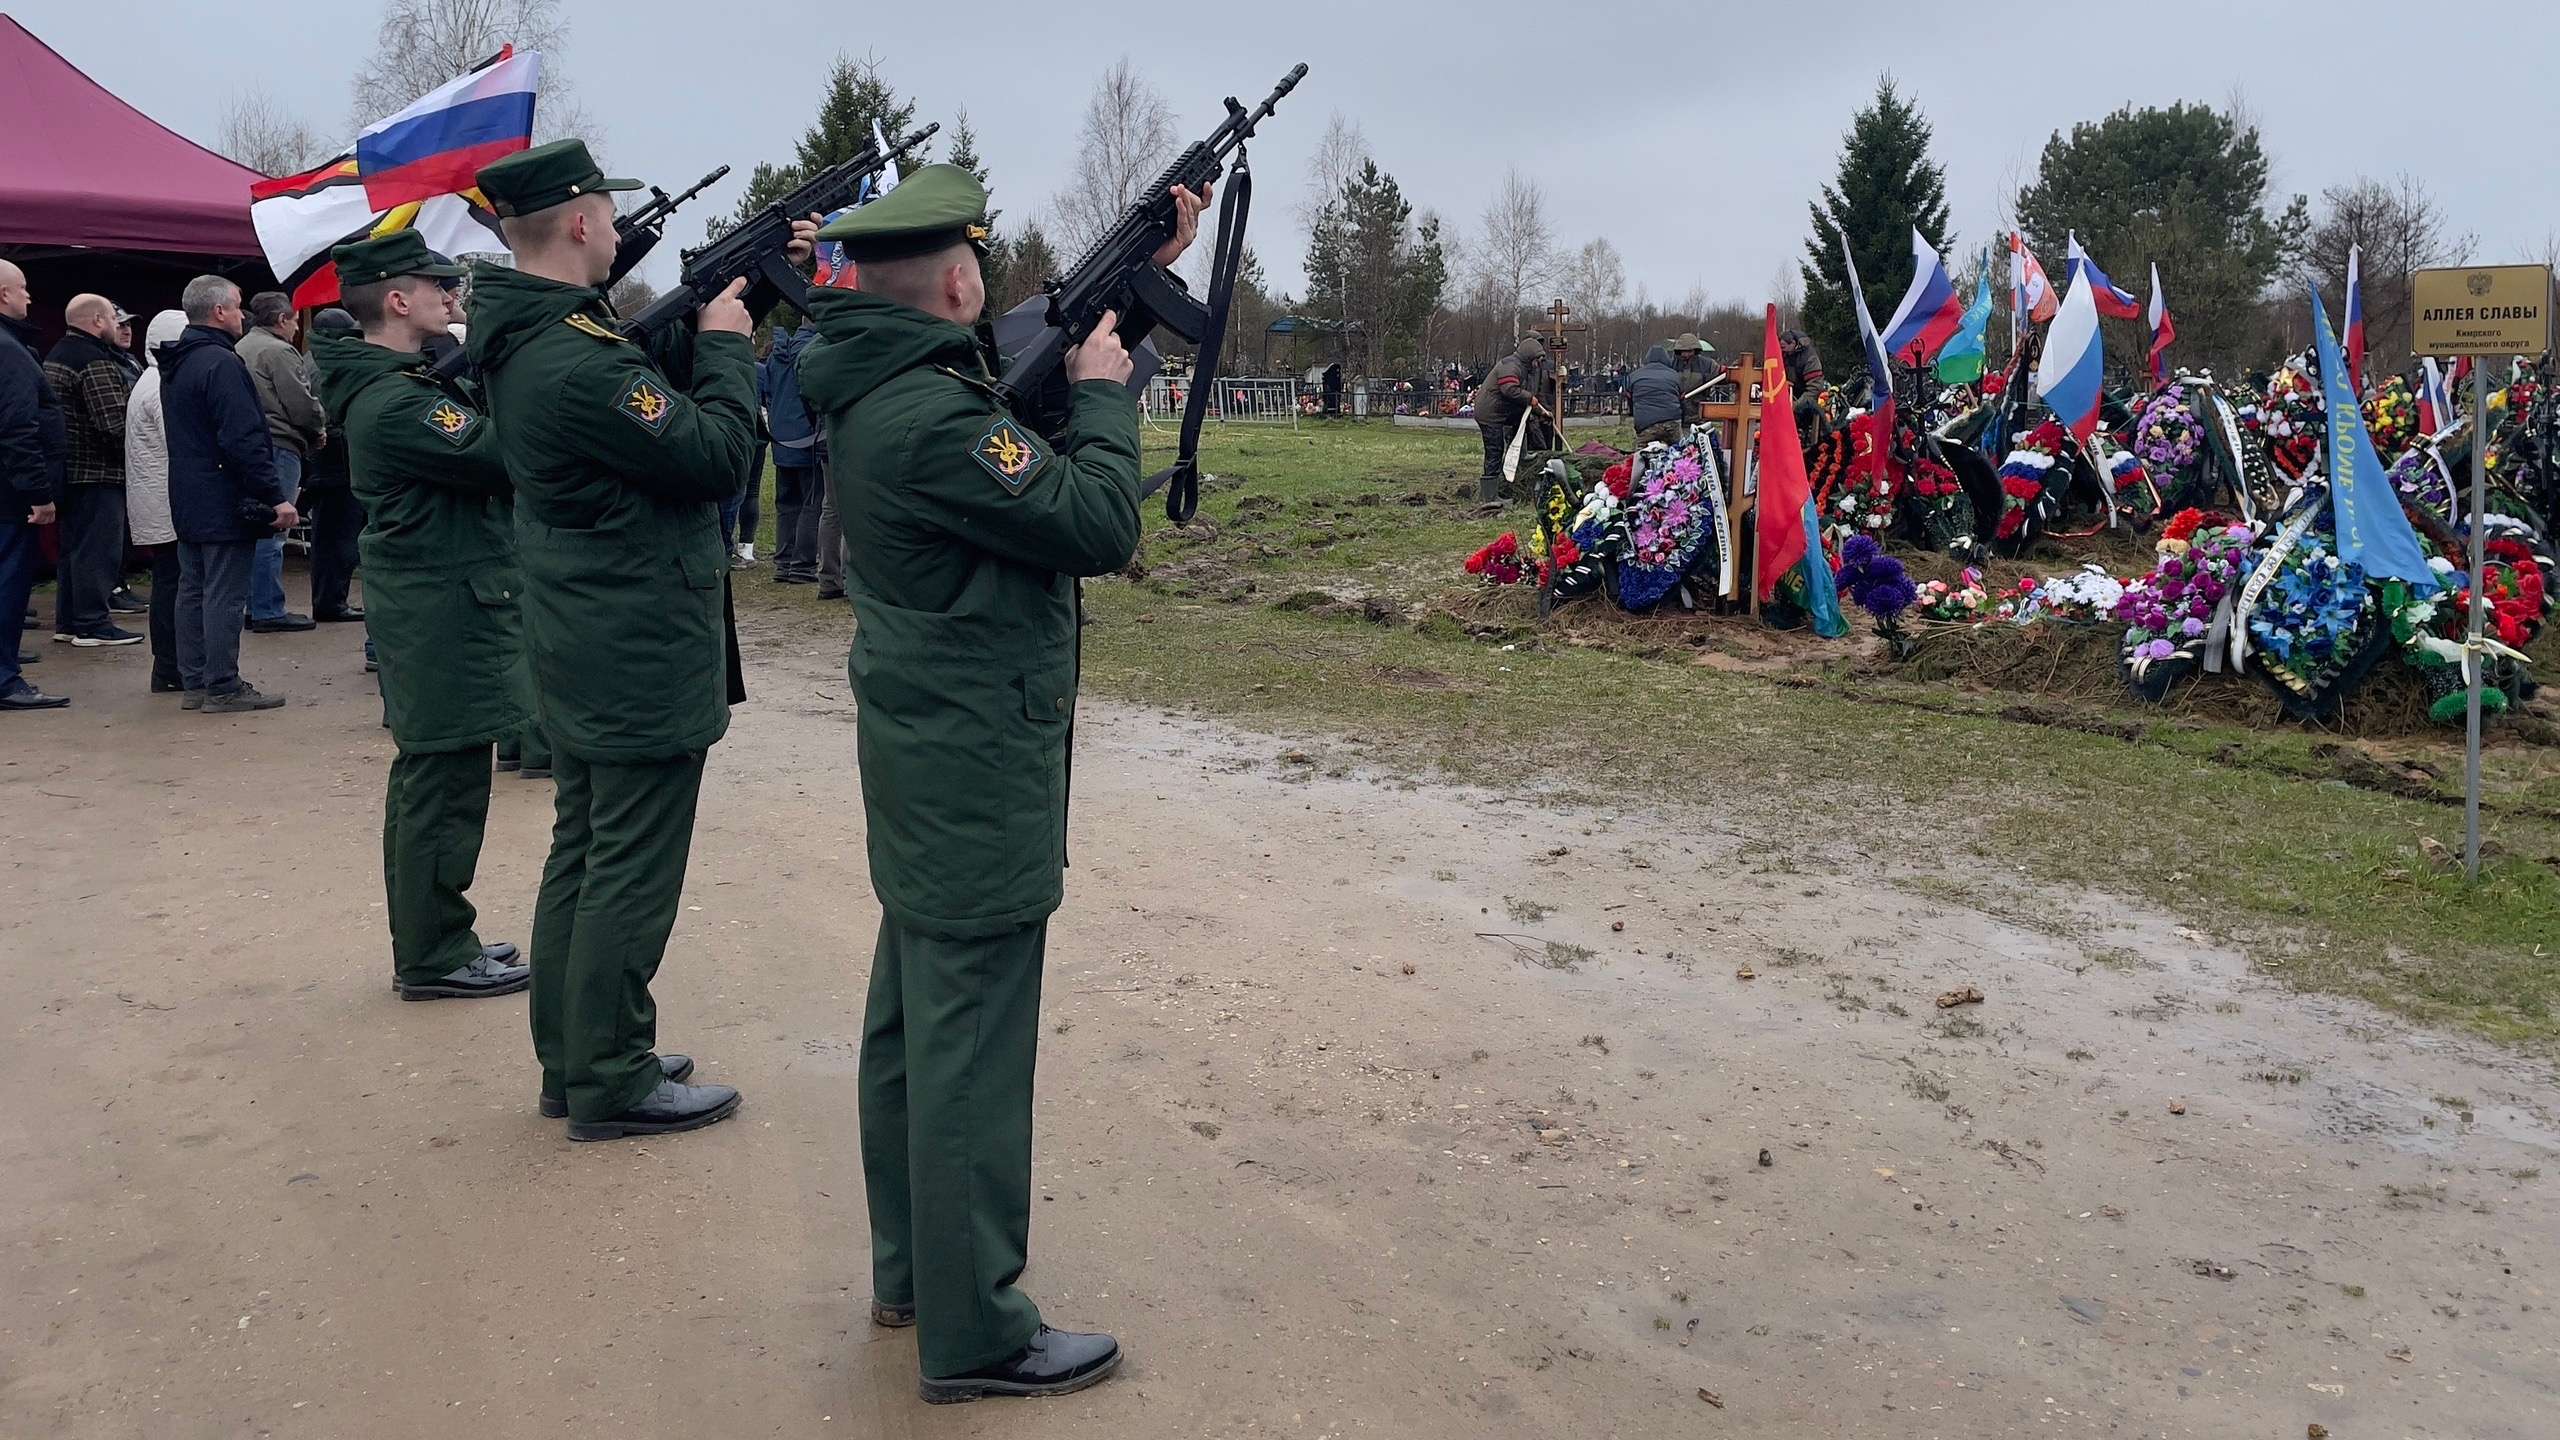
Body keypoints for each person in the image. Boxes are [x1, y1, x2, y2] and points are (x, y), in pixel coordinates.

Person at [796, 163, 1205, 1406]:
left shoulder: (890, 385)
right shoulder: (929, 416)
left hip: (933, 746)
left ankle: (918, 1273)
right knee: (969, 1041)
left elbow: (1010, 377)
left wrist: (1141, 279)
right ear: (960, 277)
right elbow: (1093, 525)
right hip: (972, 755)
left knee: (915, 1023)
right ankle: (976, 1333)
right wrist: (1105, 394)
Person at [464, 139, 812, 1140]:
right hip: (635, 639)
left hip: (591, 630)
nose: (619, 228)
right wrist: (726, 345)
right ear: (578, 223)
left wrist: (740, 304)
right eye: (607, 215)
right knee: (628, 860)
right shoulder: (575, 362)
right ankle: (610, 1075)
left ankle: (573, 1056)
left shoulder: (545, 341)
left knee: (586, 844)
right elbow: (708, 455)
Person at [314, 232, 536, 1003]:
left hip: (444, 603)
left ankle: (440, 932)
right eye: (439, 285)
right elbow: (505, 456)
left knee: (443, 779)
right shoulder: (397, 400)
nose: (454, 295)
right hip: (442, 611)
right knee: (440, 785)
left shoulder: (404, 381)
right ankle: (435, 951)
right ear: (398, 300)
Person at [161, 274, 296, 713]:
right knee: (222, 591)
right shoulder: (219, 363)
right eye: (238, 306)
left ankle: (198, 681)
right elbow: (243, 437)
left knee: (194, 589)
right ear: (219, 311)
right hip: (221, 494)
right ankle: (221, 684)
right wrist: (275, 495)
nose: (243, 315)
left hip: (188, 491)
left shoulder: (180, 360)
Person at [42, 294, 143, 647]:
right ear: (98, 321)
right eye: (115, 321)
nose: (120, 327)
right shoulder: (94, 359)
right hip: (97, 471)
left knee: (74, 550)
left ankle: (70, 622)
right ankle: (92, 623)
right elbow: (113, 424)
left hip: (69, 469)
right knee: (97, 551)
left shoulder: (59, 352)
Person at [1, 258, 72, 711]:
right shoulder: (9, 351)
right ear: (3, 295)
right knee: (8, 583)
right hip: (9, 497)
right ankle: (6, 679)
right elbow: (18, 428)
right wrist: (39, 494)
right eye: (23, 288)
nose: (30, 297)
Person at [236, 291, 321, 633]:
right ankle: (268, 609)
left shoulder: (239, 347)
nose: (297, 328)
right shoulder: (279, 351)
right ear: (283, 320)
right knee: (276, 528)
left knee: (254, 529)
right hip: (280, 443)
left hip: (252, 445)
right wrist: (319, 426)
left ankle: (252, 604)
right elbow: (300, 403)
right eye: (295, 320)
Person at [124, 310, 188, 693]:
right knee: (173, 585)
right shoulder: (160, 385)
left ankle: (169, 666)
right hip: (167, 500)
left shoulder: (151, 380)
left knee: (170, 583)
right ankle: (170, 666)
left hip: (157, 499)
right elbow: (179, 440)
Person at [299, 308, 367, 623]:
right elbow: (330, 409)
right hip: (336, 455)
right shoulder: (327, 364)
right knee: (338, 534)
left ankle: (329, 599)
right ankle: (331, 602)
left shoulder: (311, 359)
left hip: (325, 456)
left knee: (330, 532)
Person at [764, 317, 824, 584]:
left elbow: (766, 389)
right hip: (809, 437)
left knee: (786, 504)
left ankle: (784, 562)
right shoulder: (816, 350)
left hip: (781, 439)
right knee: (812, 504)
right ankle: (803, 565)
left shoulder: (778, 353)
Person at [1473, 334, 1552, 501]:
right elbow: (1509, 390)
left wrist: (1541, 412)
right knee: (1494, 451)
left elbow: (1526, 401)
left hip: (1501, 411)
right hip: (1490, 414)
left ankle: (1521, 454)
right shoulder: (1511, 366)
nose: (1537, 364)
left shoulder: (1523, 368)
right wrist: (1529, 398)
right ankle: (1490, 496)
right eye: (1536, 360)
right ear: (1529, 356)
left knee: (1521, 420)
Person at [1626, 343, 1686, 444]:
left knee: (1642, 454)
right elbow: (1682, 400)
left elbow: (1629, 399)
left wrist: (1635, 415)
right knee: (1678, 452)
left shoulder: (1634, 376)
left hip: (1646, 424)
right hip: (1671, 421)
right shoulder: (1675, 375)